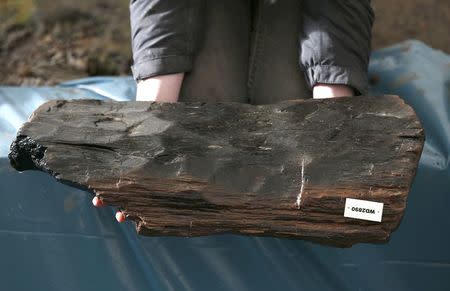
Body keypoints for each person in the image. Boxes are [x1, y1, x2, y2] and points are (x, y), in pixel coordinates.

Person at [93, 0, 375, 222]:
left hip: (299, 16)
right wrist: (149, 129)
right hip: (204, 12)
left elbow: (337, 10)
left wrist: (330, 129)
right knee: (195, 124)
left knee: (291, 123)